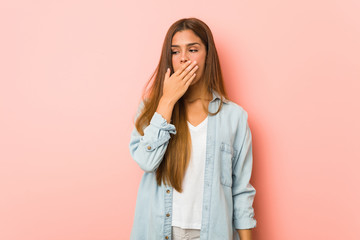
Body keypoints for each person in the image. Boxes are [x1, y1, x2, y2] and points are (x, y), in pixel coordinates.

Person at [129, 17, 257, 240]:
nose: (184, 59)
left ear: (208, 55)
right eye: (175, 51)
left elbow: (241, 191)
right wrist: (167, 101)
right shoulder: (152, 109)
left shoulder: (234, 117)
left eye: (193, 49)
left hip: (213, 233)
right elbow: (145, 161)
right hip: (160, 232)